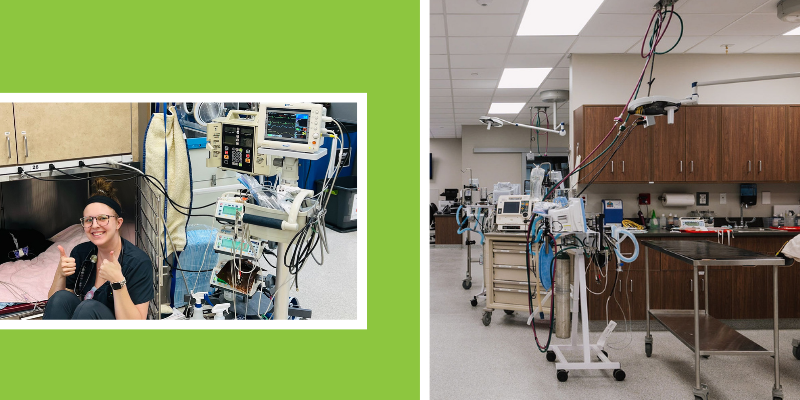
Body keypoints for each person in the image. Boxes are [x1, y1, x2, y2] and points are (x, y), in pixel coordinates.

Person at [43, 178, 154, 320]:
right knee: (61, 298)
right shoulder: (81, 253)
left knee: (88, 307)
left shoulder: (137, 263)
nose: (94, 225)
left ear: (118, 223)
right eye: (88, 220)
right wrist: (60, 273)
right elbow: (55, 307)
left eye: (102, 218)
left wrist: (118, 281)